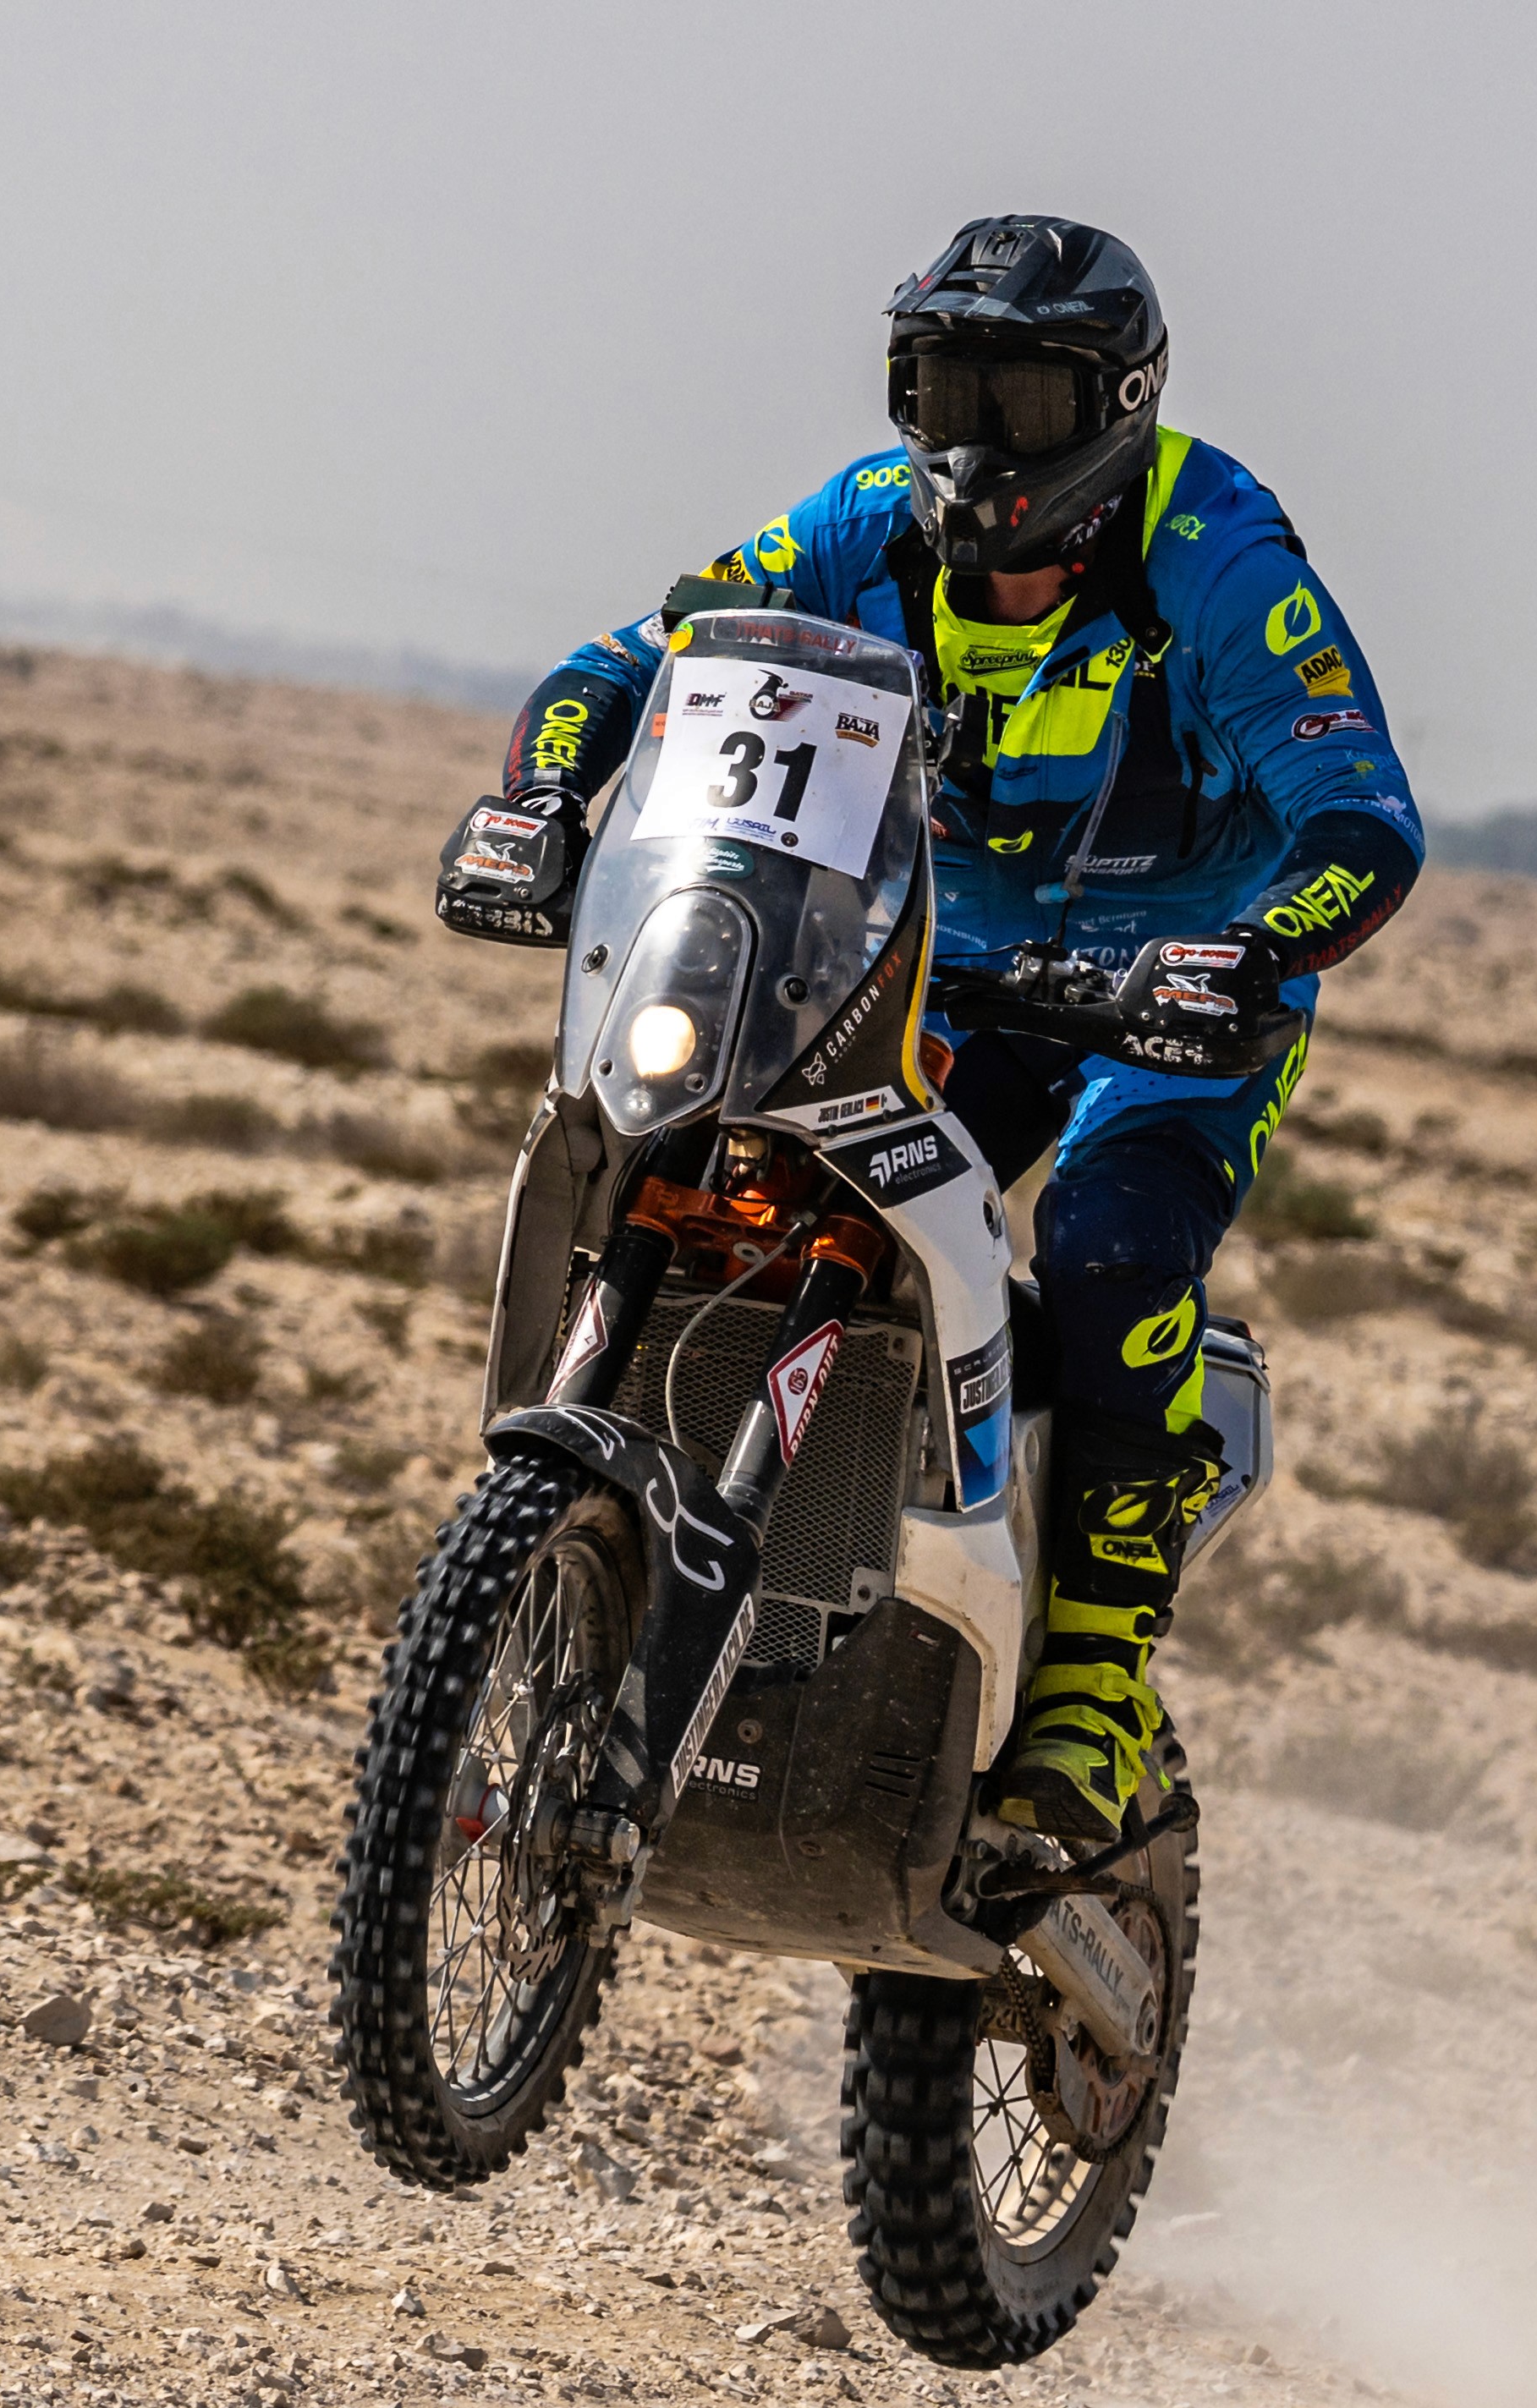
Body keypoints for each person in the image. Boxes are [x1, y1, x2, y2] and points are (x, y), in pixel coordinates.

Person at [436, 215, 1419, 1844]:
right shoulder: (856, 524)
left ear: (1120, 407)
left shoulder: (1218, 557)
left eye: (1017, 402)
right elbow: (637, 658)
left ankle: (1090, 1691)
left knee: (1109, 1249)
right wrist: (544, 796)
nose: (972, 445)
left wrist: (1253, 949)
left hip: (1164, 996)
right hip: (932, 965)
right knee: (743, 1167)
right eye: (941, 390)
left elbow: (1363, 821)